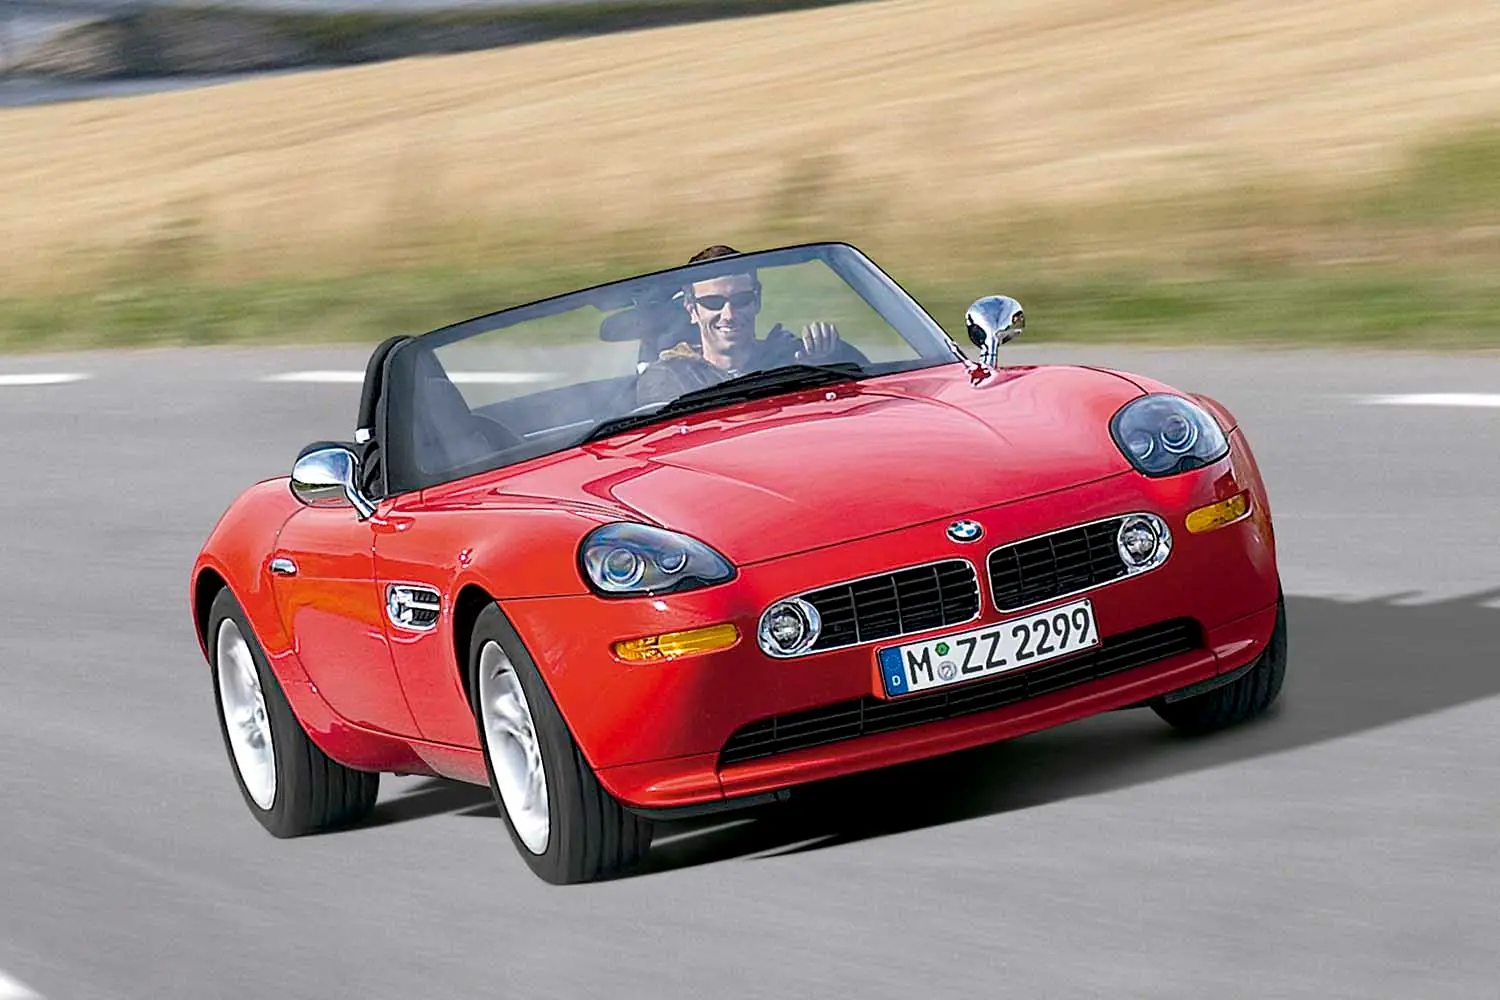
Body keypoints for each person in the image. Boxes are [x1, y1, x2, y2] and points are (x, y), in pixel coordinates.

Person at [634, 245, 865, 406]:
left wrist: (825, 363)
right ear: (692, 309)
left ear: (757, 301)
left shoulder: (795, 355)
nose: (729, 315)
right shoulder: (667, 377)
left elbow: (863, 391)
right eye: (713, 303)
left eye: (741, 300)